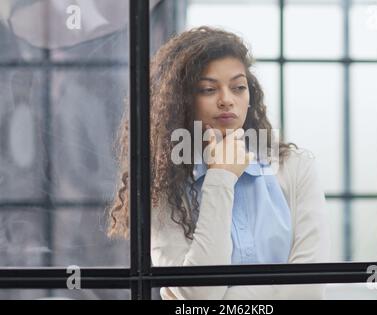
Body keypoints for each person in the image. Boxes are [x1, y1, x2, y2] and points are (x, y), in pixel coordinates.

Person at [107, 26, 330, 300]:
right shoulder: (161, 184)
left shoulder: (295, 167)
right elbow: (199, 295)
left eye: (238, 87)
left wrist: (223, 297)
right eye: (208, 89)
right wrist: (221, 176)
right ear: (182, 100)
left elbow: (308, 291)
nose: (227, 100)